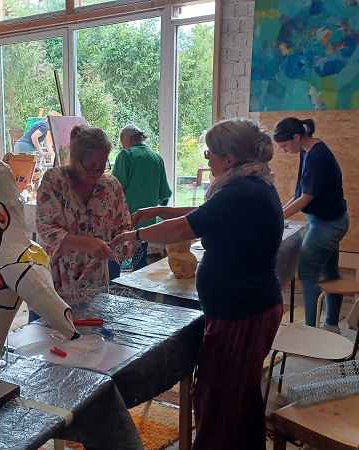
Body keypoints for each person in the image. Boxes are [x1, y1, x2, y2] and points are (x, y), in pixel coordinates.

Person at [112, 119, 283, 450]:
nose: (207, 159)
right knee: (239, 396)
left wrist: (135, 235)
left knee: (217, 399)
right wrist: (159, 210)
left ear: (229, 158)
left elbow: (185, 227)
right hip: (248, 305)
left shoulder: (241, 192)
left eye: (209, 153)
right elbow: (205, 212)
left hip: (243, 311)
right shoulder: (248, 185)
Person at [36, 125, 134, 305]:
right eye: (91, 167)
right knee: (53, 322)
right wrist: (86, 243)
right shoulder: (55, 181)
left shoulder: (111, 186)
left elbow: (123, 225)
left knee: (93, 321)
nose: (98, 172)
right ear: (75, 160)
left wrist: (126, 243)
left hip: (95, 282)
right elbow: (45, 228)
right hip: (56, 280)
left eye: (103, 165)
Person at [273, 117, 348, 330]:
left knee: (307, 273)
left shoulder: (317, 156)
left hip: (328, 224)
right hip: (326, 220)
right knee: (329, 273)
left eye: (285, 146)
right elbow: (298, 193)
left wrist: (276, 219)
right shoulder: (307, 152)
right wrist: (278, 213)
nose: (284, 150)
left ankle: (310, 331)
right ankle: (331, 324)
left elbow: (306, 198)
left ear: (297, 137)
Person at [111, 125, 171, 270]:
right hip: (147, 223)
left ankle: (114, 281)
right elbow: (165, 194)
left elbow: (113, 189)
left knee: (115, 259)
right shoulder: (156, 157)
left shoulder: (125, 155)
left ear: (126, 139)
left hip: (126, 221)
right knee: (140, 265)